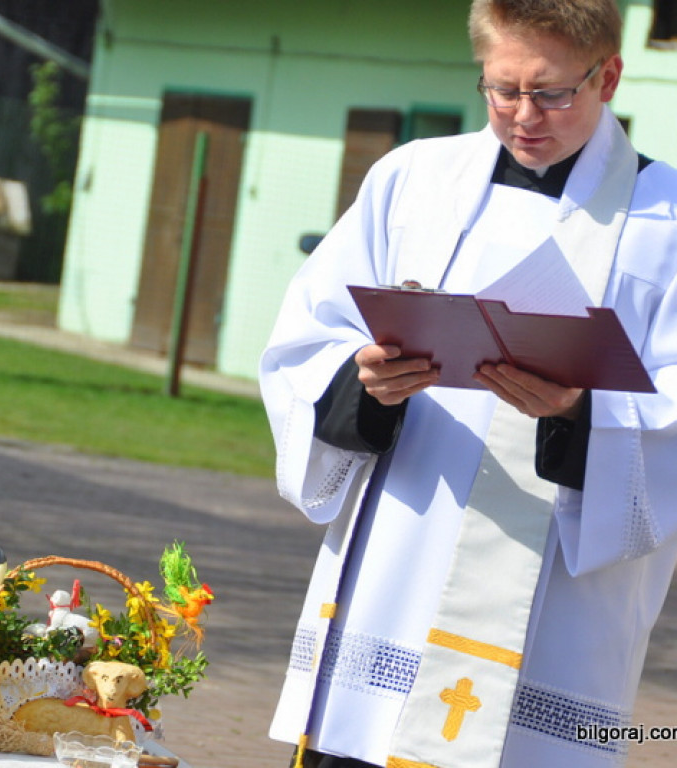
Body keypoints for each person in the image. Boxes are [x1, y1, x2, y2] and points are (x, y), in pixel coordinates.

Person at [258, 1, 677, 767]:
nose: (523, 116)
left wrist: (580, 414)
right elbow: (309, 337)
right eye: (501, 89)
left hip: (557, 602)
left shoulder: (667, 219)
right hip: (395, 563)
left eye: (550, 93)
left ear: (609, 74)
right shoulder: (412, 179)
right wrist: (363, 384)